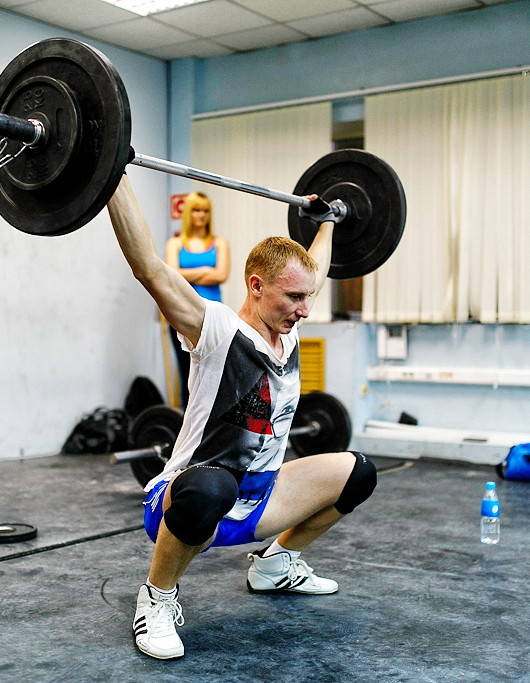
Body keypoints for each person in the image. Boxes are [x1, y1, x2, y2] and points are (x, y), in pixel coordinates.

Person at [106, 175, 377, 661]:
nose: (305, 309)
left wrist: (331, 220)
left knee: (359, 472)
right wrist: (112, 178)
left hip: (261, 500)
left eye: (308, 297)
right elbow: (149, 267)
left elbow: (314, 270)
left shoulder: (287, 331)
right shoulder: (215, 330)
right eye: (294, 298)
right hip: (190, 499)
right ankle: (156, 597)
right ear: (256, 286)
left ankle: (276, 564)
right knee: (213, 486)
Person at [164, 192, 229, 407]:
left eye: (205, 210)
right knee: (187, 373)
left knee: (213, 374)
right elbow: (171, 275)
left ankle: (210, 425)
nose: (201, 215)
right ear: (188, 213)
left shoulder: (220, 243)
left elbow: (222, 275)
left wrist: (186, 272)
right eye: (196, 209)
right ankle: (187, 424)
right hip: (180, 315)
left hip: (212, 317)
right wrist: (204, 269)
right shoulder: (175, 244)